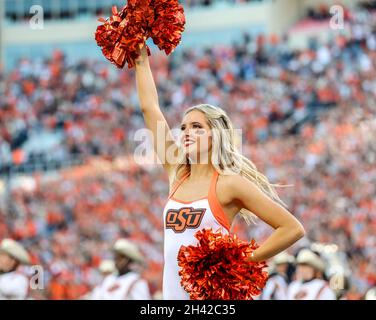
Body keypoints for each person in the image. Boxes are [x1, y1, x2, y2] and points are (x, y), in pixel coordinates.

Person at [134, 40, 306, 300]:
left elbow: (292, 228)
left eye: (197, 127)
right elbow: (150, 109)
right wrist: (140, 60)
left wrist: (244, 260)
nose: (187, 133)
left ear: (215, 136)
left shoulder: (228, 184)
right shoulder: (178, 174)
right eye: (184, 128)